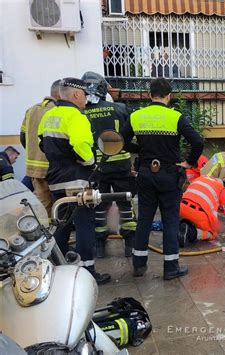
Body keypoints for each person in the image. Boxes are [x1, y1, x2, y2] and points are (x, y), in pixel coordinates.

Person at [121, 78, 203, 279]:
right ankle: (170, 268)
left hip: (145, 173)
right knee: (170, 221)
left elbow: (121, 141)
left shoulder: (136, 116)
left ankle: (139, 266)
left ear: (150, 95)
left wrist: (140, 149)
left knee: (144, 220)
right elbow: (197, 142)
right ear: (169, 96)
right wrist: (189, 163)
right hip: (168, 174)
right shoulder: (175, 117)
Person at [38, 78, 111, 284]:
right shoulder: (76, 116)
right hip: (78, 180)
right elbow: (80, 144)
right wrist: (90, 163)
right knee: (84, 225)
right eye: (86, 95)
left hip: (56, 179)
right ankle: (88, 272)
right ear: (77, 95)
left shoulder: (49, 115)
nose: (87, 100)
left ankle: (60, 271)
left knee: (61, 225)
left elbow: (42, 144)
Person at [82, 71, 137, 258]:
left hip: (96, 168)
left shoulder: (81, 112)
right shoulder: (121, 108)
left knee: (98, 206)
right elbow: (131, 137)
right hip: (121, 165)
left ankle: (99, 246)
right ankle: (130, 244)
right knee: (125, 204)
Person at [20, 80, 61, 216]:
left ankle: (45, 233)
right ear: (61, 94)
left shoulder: (31, 110)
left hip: (35, 168)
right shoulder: (59, 111)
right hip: (55, 167)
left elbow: (23, 137)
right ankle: (57, 233)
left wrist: (33, 153)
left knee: (44, 204)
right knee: (60, 204)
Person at [179, 175, 225, 245]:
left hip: (181, 209)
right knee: (213, 233)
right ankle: (191, 233)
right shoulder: (222, 189)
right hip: (198, 214)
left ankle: (180, 227)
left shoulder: (200, 178)